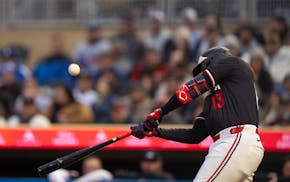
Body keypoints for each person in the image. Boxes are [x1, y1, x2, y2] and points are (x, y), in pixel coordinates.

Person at [131, 47, 264, 181]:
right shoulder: (215, 101)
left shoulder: (233, 63)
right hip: (239, 146)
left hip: (236, 139)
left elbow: (190, 90)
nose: (202, 73)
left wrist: (161, 111)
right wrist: (156, 132)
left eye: (203, 69)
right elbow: (194, 135)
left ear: (212, 60)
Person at [48, 156, 113, 182]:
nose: (90, 171)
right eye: (87, 168)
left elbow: (103, 174)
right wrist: (68, 173)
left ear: (100, 168)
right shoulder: (77, 176)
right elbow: (54, 173)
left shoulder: (104, 175)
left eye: (94, 168)